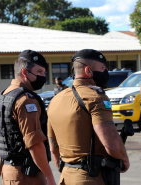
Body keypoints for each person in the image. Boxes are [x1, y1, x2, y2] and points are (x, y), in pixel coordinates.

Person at [47, 49, 130, 185]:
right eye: (103, 68)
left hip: (66, 177)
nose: (106, 72)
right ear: (88, 70)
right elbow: (110, 141)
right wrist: (124, 158)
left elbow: (53, 146)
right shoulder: (95, 97)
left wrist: (64, 169)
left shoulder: (56, 100)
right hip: (90, 177)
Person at [0, 50, 56, 185]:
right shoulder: (26, 100)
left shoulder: (3, 96)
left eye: (44, 72)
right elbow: (34, 143)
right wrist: (50, 176)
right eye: (39, 72)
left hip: (9, 171)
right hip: (27, 175)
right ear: (24, 72)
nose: (44, 76)